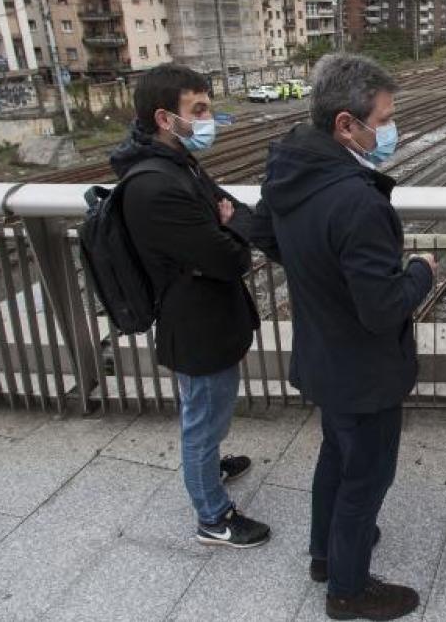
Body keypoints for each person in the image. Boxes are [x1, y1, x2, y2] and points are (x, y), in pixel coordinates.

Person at [249, 53, 434, 621]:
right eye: (382, 118)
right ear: (345, 125)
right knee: (366, 479)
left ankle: (324, 556)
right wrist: (420, 271)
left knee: (336, 454)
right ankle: (348, 591)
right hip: (365, 372)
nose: (389, 129)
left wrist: (319, 273)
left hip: (322, 357)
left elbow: (261, 233)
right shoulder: (357, 200)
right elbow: (382, 311)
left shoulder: (289, 171)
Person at [108, 64, 271, 549]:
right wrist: (232, 231)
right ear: (164, 117)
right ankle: (213, 516)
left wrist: (230, 224)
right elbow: (230, 255)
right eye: (198, 110)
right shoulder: (154, 185)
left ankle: (210, 466)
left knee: (212, 410)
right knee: (201, 420)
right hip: (194, 324)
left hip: (211, 314)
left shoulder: (180, 164)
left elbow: (234, 213)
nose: (208, 119)